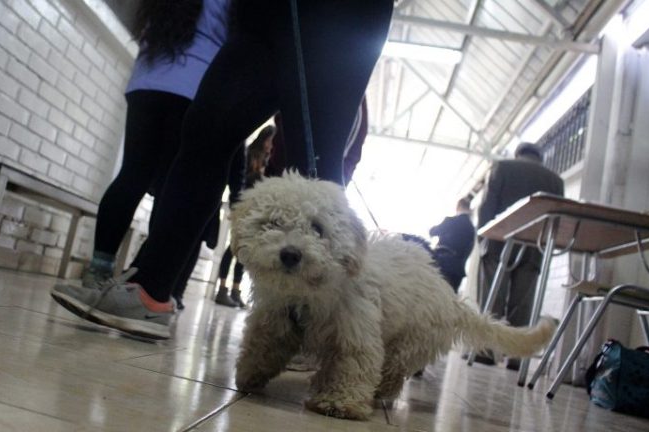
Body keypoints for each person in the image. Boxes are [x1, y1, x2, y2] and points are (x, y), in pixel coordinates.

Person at [55, 0, 394, 340]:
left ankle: (314, 328)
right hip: (262, 15)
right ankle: (150, 290)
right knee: (206, 130)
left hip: (339, 12)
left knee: (313, 158)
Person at [51, 0, 231, 334]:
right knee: (170, 190)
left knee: (131, 174)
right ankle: (145, 283)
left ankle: (98, 272)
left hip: (147, 82)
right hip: (195, 87)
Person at [474, 142, 564, 369]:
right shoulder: (555, 181)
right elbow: (557, 220)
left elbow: (486, 207)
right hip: (534, 248)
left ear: (518, 154)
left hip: (498, 243)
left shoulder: (502, 167)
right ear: (540, 157)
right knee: (523, 303)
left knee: (492, 296)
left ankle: (486, 352)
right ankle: (516, 357)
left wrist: (482, 239)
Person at [215, 125, 275, 308]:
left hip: (258, 209)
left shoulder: (268, 160)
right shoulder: (250, 154)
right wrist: (259, 177)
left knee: (246, 250)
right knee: (233, 248)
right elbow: (240, 179)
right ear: (265, 138)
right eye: (271, 141)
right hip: (244, 205)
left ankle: (235, 290)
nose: (271, 145)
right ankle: (222, 289)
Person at [429, 197, 476, 292]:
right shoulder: (472, 229)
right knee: (449, 298)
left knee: (432, 294)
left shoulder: (450, 221)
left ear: (458, 207)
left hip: (442, 262)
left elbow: (432, 232)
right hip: (458, 270)